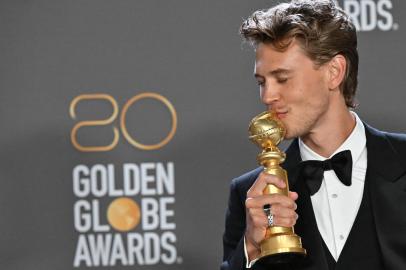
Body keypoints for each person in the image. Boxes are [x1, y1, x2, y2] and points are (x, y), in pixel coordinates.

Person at [221, 1, 406, 269]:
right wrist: (250, 247)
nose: (267, 96)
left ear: (334, 72)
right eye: (262, 82)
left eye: (282, 78)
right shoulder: (250, 196)